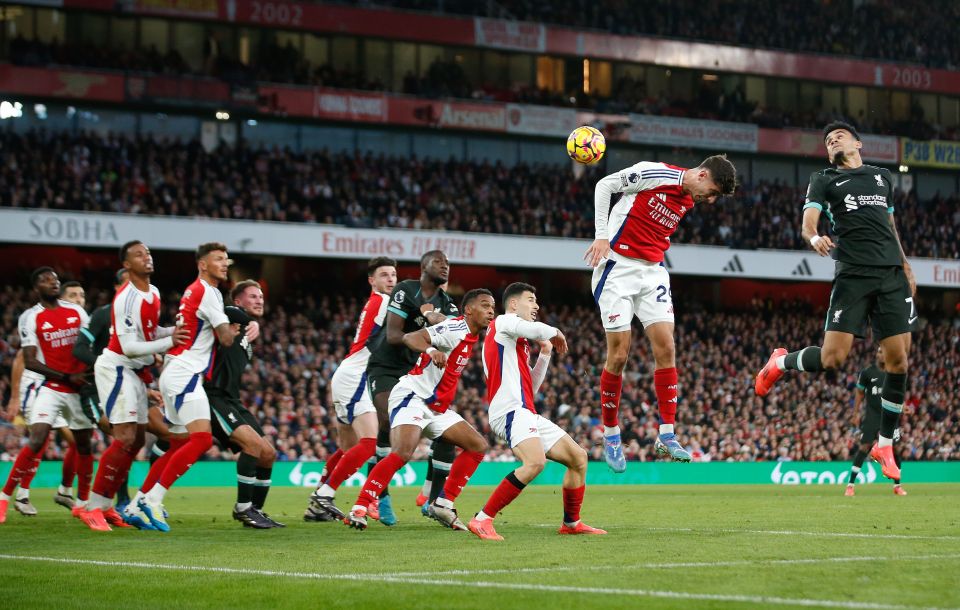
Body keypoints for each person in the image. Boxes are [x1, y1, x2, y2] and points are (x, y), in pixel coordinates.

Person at [755, 121, 915, 483]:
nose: (833, 141)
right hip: (854, 274)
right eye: (828, 141)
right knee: (832, 359)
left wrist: (905, 264)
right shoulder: (824, 179)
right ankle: (782, 361)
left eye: (839, 136)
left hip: (890, 273)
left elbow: (890, 226)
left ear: (858, 142)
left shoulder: (881, 177)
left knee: (899, 360)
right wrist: (815, 239)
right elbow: (808, 222)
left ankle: (885, 444)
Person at [585, 155, 738, 472]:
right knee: (619, 354)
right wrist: (602, 234)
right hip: (616, 267)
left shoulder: (689, 198)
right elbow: (604, 186)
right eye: (711, 192)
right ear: (702, 174)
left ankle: (666, 434)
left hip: (652, 271)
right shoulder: (652, 173)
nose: (709, 200)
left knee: (667, 347)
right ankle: (612, 434)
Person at [344, 289, 495, 531]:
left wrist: (430, 314)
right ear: (468, 310)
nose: (490, 311)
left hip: (436, 407)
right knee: (403, 451)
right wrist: (431, 350)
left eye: (493, 307)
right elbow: (411, 338)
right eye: (485, 305)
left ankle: (442, 504)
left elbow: (435, 320)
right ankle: (360, 507)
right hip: (412, 395)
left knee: (477, 445)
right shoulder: (456, 329)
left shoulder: (468, 332)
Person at [469, 282, 605, 541]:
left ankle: (571, 522)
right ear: (513, 304)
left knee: (578, 457)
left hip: (524, 410)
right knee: (535, 462)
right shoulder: (502, 322)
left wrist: (545, 353)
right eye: (530, 300)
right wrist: (554, 331)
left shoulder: (516, 341)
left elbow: (529, 388)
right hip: (509, 411)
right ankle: (483, 518)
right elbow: (533, 328)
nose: (536, 305)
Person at [135, 242, 257, 532]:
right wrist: (241, 321)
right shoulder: (207, 291)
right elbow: (226, 339)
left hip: (176, 370)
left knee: (177, 443)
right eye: (218, 259)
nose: (225, 264)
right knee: (201, 441)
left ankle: (137, 502)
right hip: (185, 372)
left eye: (227, 260)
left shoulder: (198, 291)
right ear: (203, 264)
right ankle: (152, 500)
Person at [81, 241, 187, 531]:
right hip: (117, 368)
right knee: (125, 438)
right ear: (127, 265)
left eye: (149, 253)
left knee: (137, 440)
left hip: (135, 373)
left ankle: (106, 506)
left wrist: (172, 332)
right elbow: (128, 347)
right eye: (139, 255)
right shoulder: (126, 298)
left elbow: (149, 333)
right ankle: (92, 507)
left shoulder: (152, 292)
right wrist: (170, 342)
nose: (147, 257)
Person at [363, 250, 458, 525]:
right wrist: (427, 333)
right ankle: (379, 496)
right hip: (385, 368)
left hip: (415, 374)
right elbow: (393, 336)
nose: (445, 266)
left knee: (447, 431)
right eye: (439, 262)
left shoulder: (447, 304)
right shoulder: (406, 290)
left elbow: (454, 334)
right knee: (389, 422)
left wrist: (437, 321)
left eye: (448, 263)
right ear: (424, 266)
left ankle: (432, 497)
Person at [305, 257, 396, 522]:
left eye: (393, 274)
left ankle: (317, 506)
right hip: (357, 376)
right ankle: (325, 492)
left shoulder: (376, 303)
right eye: (384, 275)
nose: (391, 279)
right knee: (368, 444)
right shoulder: (383, 301)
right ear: (372, 281)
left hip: (348, 373)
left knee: (348, 447)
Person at [0, 268, 92, 524]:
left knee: (82, 444)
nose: (53, 282)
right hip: (46, 386)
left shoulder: (77, 313)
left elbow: (88, 346)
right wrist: (16, 395)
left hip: (77, 388)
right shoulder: (31, 317)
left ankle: (81, 503)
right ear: (35, 288)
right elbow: (26, 360)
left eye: (55, 279)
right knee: (38, 437)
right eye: (46, 280)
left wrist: (88, 375)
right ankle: (9, 497)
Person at [207, 280, 283, 528]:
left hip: (232, 399)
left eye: (261, 296)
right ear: (238, 301)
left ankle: (255, 511)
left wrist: (253, 324)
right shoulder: (227, 318)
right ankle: (242, 508)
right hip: (213, 396)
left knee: (268, 454)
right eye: (253, 296)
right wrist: (252, 322)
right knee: (251, 445)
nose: (259, 300)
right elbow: (226, 311)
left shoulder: (246, 330)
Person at [72, 268, 129, 509]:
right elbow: (80, 347)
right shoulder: (103, 315)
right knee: (121, 436)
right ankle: (108, 501)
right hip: (95, 390)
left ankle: (130, 499)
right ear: (117, 288)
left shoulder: (138, 318)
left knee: (131, 439)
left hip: (126, 388)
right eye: (128, 283)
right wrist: (103, 364)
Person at [845, 346, 907, 496]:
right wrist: (855, 413)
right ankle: (850, 486)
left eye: (883, 352)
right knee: (864, 447)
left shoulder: (894, 372)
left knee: (895, 450)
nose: (881, 355)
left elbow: (898, 394)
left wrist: (903, 406)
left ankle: (897, 486)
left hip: (890, 416)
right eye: (879, 352)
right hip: (872, 416)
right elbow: (859, 393)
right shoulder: (867, 373)